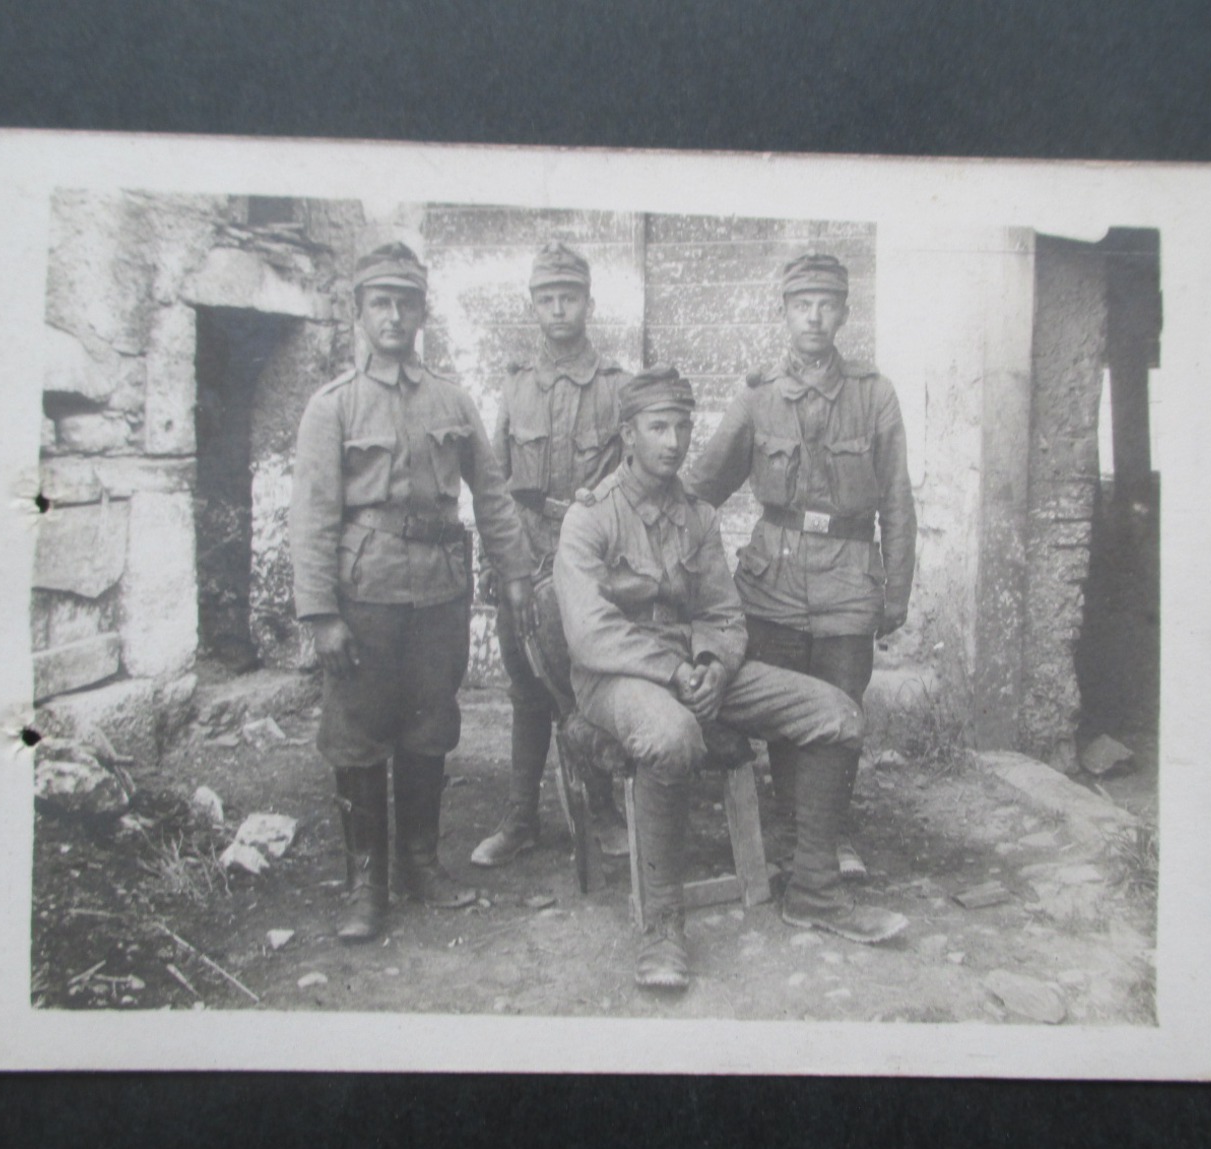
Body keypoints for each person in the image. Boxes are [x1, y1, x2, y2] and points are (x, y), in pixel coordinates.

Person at [554, 365, 908, 990]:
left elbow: (723, 612)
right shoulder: (590, 518)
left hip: (697, 668)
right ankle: (663, 928)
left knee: (836, 714)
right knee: (670, 736)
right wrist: (673, 668)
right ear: (628, 435)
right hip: (617, 678)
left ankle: (815, 892)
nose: (673, 441)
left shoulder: (698, 516)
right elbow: (589, 633)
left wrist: (715, 664)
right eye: (657, 427)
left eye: (682, 427)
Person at [290, 242, 537, 943]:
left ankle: (422, 865)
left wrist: (515, 574)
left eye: (406, 302)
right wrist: (319, 614)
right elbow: (310, 515)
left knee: (431, 725)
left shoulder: (451, 399)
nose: (394, 315)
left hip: (439, 593)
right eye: (380, 302)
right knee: (359, 734)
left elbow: (490, 494)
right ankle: (365, 885)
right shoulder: (331, 407)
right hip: (364, 593)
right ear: (360, 312)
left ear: (422, 312)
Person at [683, 252, 917, 880]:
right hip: (773, 580)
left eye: (826, 304)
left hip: (848, 579)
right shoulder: (758, 399)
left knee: (841, 707)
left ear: (843, 312)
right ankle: (794, 831)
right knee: (786, 714)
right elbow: (703, 484)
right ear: (784, 312)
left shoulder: (875, 395)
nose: (813, 317)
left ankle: (830, 836)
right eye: (801, 304)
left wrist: (896, 589)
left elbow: (896, 496)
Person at [470, 243, 631, 868]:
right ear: (533, 306)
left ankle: (604, 804)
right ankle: (520, 817)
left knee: (588, 679)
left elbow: (634, 473)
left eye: (569, 297)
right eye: (546, 298)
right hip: (527, 549)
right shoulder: (515, 389)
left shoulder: (617, 387)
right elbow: (495, 482)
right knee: (525, 687)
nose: (558, 309)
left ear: (589, 303)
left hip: (590, 556)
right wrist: (498, 561)